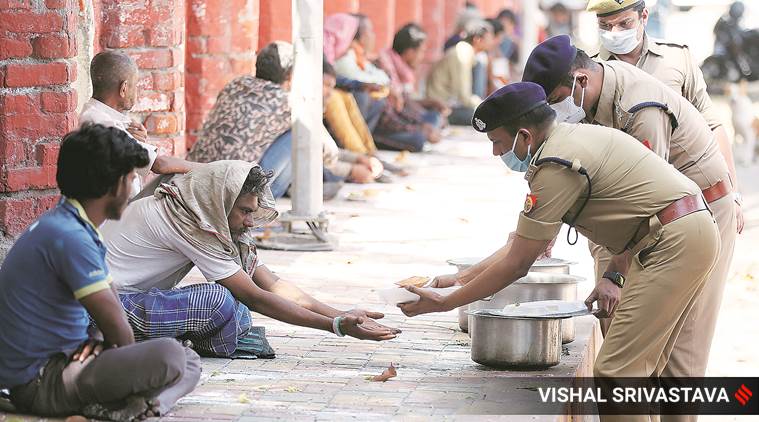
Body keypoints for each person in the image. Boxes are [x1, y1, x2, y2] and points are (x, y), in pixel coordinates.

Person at [400, 82, 720, 388]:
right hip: (684, 231)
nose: (496, 152)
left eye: (497, 142)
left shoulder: (555, 166)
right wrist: (456, 280)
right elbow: (522, 243)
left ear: (524, 136)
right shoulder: (570, 139)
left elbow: (518, 262)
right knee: (646, 372)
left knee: (615, 373)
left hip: (674, 241)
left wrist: (446, 303)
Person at [522, 35, 737, 384]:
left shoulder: (640, 109)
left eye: (556, 101)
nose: (556, 112)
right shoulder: (591, 99)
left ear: (580, 81)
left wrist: (616, 275)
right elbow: (574, 167)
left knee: (678, 353)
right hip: (642, 224)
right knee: (625, 341)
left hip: (694, 215)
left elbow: (649, 202)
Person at [0, 124, 200, 420]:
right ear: (117, 185)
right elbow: (119, 329)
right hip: (44, 381)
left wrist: (96, 338)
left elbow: (106, 315)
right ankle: (126, 402)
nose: (133, 187)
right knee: (170, 356)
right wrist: (114, 349)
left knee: (189, 358)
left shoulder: (70, 224)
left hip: (67, 360)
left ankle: (147, 405)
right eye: (132, 178)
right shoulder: (71, 237)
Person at [101, 161, 399, 358]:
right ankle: (161, 342)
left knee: (235, 308)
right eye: (244, 211)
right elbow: (257, 296)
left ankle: (180, 339)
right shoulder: (188, 223)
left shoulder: (198, 208)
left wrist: (340, 313)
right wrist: (335, 326)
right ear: (222, 202)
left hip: (127, 301)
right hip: (103, 311)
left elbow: (271, 284)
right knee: (219, 300)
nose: (248, 221)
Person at [586, 0, 744, 233]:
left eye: (624, 23)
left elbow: (712, 125)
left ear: (644, 17)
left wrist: (733, 192)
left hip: (688, 201)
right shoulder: (590, 74)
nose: (614, 33)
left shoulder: (677, 59)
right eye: (605, 25)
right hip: (622, 210)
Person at [79, 51, 196, 196]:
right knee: (178, 178)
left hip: (121, 204)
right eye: (136, 86)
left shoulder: (94, 114)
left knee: (176, 178)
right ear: (124, 88)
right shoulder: (102, 122)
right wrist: (209, 169)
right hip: (115, 213)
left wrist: (137, 141)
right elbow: (159, 164)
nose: (137, 92)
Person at [188, 41, 294, 199]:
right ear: (289, 75)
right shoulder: (286, 101)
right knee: (297, 135)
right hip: (233, 190)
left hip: (194, 178)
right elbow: (323, 147)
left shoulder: (236, 84)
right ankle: (260, 209)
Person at [426, 19, 495, 125]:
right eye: (490, 39)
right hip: (441, 107)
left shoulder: (466, 52)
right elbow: (464, 96)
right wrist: (482, 104)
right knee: (483, 116)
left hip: (450, 103)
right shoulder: (462, 53)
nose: (492, 42)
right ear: (478, 40)